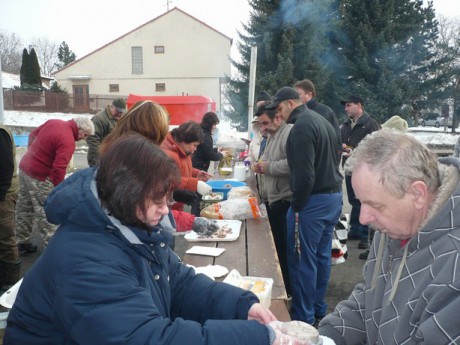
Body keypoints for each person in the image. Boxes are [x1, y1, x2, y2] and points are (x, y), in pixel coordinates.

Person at [4, 135, 311, 345]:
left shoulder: (131, 225)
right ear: (126, 196)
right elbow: (149, 339)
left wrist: (241, 307)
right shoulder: (85, 260)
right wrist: (256, 337)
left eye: (167, 198)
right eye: (157, 200)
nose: (166, 210)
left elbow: (178, 282)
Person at [319, 128, 460, 344]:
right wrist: (325, 338)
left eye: (375, 205)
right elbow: (369, 297)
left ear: (418, 194)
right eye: (361, 202)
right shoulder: (393, 228)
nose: (364, 218)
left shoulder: (454, 262)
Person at [267, 86, 343, 326]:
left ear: (291, 103)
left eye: (279, 108)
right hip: (332, 197)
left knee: (302, 260)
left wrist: (297, 206)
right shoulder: (322, 121)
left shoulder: (300, 127)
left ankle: (303, 316)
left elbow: (304, 174)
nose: (278, 115)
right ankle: (318, 307)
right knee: (321, 256)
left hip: (312, 201)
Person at [99, 100, 197, 233]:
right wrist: (192, 222)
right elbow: (144, 213)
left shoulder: (115, 151)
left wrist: (174, 194)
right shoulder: (134, 160)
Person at [15, 117, 94, 253]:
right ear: (79, 128)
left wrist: (33, 155)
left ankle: (20, 242)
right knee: (46, 212)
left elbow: (32, 134)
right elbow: (59, 168)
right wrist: (59, 190)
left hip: (24, 168)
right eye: (84, 135)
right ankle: (53, 250)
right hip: (40, 176)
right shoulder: (68, 140)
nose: (83, 139)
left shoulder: (54, 122)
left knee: (24, 207)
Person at [252, 101, 293, 297]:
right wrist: (260, 166)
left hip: (285, 201)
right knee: (276, 246)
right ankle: (281, 285)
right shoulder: (273, 135)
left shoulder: (290, 133)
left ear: (278, 117)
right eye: (261, 124)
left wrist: (267, 167)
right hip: (272, 200)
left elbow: (292, 165)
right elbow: (268, 160)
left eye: (265, 123)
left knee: (285, 251)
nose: (263, 128)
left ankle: (286, 291)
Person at [340, 95, 381, 250]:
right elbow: (341, 143)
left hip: (365, 171)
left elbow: (377, 148)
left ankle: (366, 237)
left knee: (364, 202)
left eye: (349, 105)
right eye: (345, 106)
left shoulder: (371, 124)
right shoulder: (345, 125)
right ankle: (355, 231)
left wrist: (355, 152)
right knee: (353, 201)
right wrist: (342, 147)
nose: (346, 109)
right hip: (350, 169)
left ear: (359, 105)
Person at [160, 121, 213, 215]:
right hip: (166, 209)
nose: (195, 149)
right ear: (184, 140)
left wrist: (196, 173)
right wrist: (194, 184)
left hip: (177, 205)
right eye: (195, 145)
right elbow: (167, 180)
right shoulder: (167, 154)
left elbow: (181, 168)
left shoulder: (182, 150)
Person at [293, 79, 342, 158]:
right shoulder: (295, 113)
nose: (295, 98)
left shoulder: (326, 112)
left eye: (298, 94)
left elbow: (337, 142)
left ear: (309, 94)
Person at [0, 125, 21, 293]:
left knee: (5, 237)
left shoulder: (1, 134)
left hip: (4, 194)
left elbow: (5, 170)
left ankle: (10, 286)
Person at [86, 98, 126, 167]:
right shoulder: (99, 118)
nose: (119, 114)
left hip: (113, 156)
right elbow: (92, 138)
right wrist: (98, 158)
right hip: (100, 157)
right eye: (118, 111)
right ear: (112, 107)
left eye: (121, 112)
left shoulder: (120, 117)